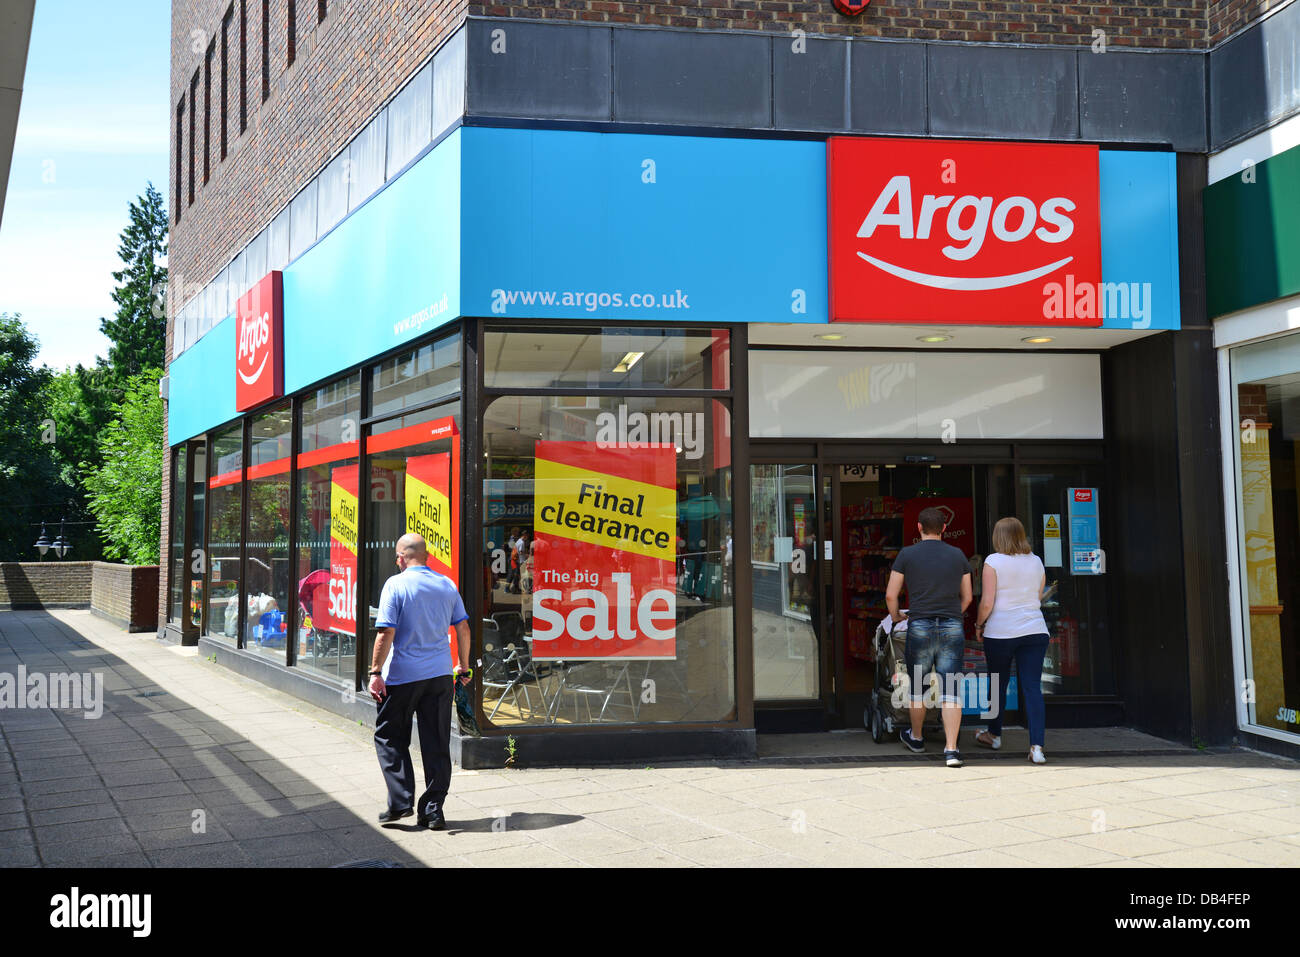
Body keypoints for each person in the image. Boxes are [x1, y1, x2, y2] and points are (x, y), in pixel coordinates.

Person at [369, 532, 472, 830]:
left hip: (403, 676)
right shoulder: (446, 585)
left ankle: (401, 802)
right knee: (437, 741)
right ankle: (433, 810)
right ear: (426, 557)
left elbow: (385, 632)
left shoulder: (396, 584)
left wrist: (375, 673)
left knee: (390, 737)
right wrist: (463, 667)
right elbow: (463, 628)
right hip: (439, 675)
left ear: (400, 558)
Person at [885, 506, 973, 768]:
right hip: (951, 625)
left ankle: (917, 738)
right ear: (944, 528)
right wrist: (953, 614)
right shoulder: (958, 555)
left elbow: (891, 595)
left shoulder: (907, 554)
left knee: (918, 687)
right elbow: (967, 597)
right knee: (951, 689)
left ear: (919, 528)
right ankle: (951, 750)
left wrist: (897, 616)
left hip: (920, 624)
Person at [974, 517, 1051, 764]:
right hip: (1035, 630)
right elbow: (1038, 597)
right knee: (1032, 687)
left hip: (1001, 632)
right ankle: (1037, 747)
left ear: (999, 537)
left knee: (997, 684)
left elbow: (987, 602)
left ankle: (994, 735)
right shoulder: (1036, 561)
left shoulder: (993, 561)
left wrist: (978, 625)